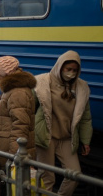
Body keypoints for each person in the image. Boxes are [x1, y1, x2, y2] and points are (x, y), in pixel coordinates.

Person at [34, 51, 92, 195]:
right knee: (47, 178)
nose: (71, 73)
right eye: (68, 69)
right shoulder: (42, 82)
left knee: (74, 175)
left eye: (75, 70)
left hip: (66, 138)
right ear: (60, 67)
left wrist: (85, 141)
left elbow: (85, 117)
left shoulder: (81, 87)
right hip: (46, 136)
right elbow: (29, 108)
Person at [0, 56, 36, 170]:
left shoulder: (17, 92)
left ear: (5, 73)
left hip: (12, 155)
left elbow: (20, 127)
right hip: (8, 151)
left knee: (14, 186)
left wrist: (14, 157)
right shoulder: (12, 90)